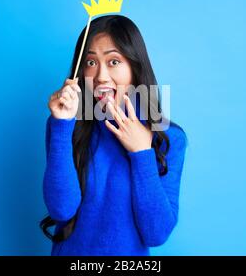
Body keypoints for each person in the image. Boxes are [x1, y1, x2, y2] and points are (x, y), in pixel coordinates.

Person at [41, 15, 187, 255]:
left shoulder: (169, 138)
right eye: (90, 63)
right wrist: (61, 126)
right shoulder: (65, 125)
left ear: (134, 66)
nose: (101, 77)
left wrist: (142, 153)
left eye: (113, 62)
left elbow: (156, 233)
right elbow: (61, 210)